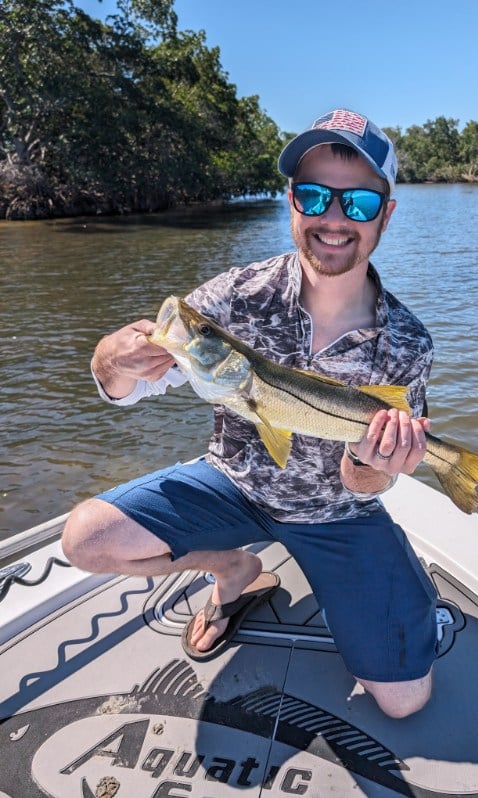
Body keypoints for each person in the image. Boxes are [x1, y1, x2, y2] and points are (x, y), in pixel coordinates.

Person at [62, 109, 438, 719]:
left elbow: (367, 480)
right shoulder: (236, 296)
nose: (333, 219)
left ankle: (397, 578)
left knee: (405, 702)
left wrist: (374, 464)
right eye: (314, 195)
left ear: (386, 214)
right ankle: (236, 569)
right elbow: (128, 387)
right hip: (231, 486)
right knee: (85, 539)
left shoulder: (407, 344)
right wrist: (113, 359)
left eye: (359, 204)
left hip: (338, 513)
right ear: (292, 201)